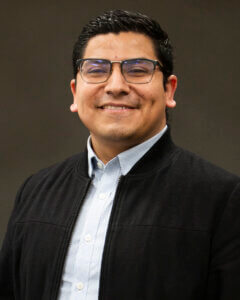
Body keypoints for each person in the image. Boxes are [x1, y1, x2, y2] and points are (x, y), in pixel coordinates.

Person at [0, 9, 240, 300]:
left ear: (169, 90)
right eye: (97, 70)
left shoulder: (223, 199)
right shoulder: (35, 191)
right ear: (75, 93)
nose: (115, 86)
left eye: (138, 70)